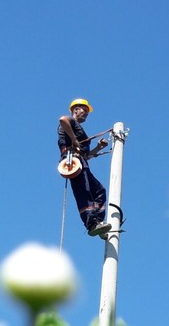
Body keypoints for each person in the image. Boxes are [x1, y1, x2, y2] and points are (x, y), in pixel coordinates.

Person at [58, 98, 111, 237]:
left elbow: (86, 155)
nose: (86, 114)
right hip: (72, 160)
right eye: (85, 111)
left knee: (99, 190)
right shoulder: (71, 121)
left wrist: (98, 148)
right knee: (84, 191)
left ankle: (98, 222)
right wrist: (74, 140)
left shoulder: (77, 128)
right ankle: (91, 223)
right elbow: (62, 119)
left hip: (81, 161)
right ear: (76, 110)